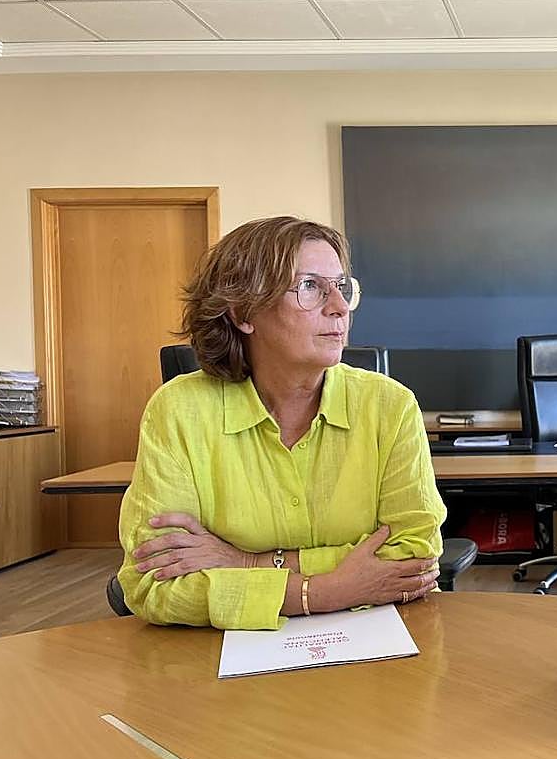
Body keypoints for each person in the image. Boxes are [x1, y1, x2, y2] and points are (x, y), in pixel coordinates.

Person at [118, 216, 446, 630]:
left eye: (342, 287)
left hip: (383, 637)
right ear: (243, 311)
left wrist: (243, 561)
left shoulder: (389, 406)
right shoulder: (180, 410)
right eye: (310, 286)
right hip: (222, 661)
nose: (340, 307)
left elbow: (414, 558)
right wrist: (324, 591)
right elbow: (152, 583)